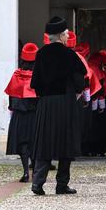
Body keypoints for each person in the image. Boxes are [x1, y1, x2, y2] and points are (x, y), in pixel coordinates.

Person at [30, 17, 86, 195]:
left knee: (44, 143)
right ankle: (61, 184)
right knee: (66, 143)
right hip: (65, 103)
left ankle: (37, 183)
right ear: (61, 36)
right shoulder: (70, 55)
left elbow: (35, 84)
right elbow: (80, 82)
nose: (68, 36)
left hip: (46, 104)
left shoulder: (40, 54)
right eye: (67, 33)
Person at [5, 43, 39, 182]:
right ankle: (36, 170)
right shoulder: (38, 76)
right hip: (35, 113)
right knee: (35, 142)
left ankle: (26, 172)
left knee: (22, 144)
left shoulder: (17, 75)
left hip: (19, 114)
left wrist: (12, 109)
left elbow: (11, 95)